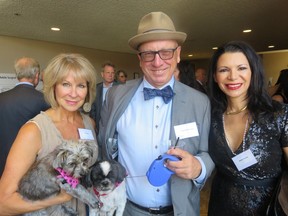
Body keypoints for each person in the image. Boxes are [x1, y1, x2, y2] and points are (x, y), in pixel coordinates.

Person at [98, 11, 214, 216]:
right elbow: (104, 145)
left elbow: (209, 153)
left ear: (178, 54)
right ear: (140, 59)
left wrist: (198, 167)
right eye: (149, 54)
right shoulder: (116, 96)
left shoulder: (200, 102)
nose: (158, 62)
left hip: (180, 211)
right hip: (127, 209)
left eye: (166, 52)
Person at [0, 53, 98, 215]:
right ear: (53, 86)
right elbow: (3, 203)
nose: (74, 93)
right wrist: (60, 198)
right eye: (66, 84)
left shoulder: (89, 123)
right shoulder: (33, 131)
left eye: (81, 85)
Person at [207, 41, 288, 215]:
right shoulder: (210, 116)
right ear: (215, 76)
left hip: (268, 209)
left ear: (253, 72)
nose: (233, 76)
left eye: (241, 68)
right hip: (220, 206)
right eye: (224, 70)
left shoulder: (279, 115)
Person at [0, 57, 50, 176]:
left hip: (2, 161)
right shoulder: (44, 100)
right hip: (31, 164)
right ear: (37, 75)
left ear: (17, 74)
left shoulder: (1, 97)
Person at [90, 61, 117, 133]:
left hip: (115, 125)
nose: (110, 75)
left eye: (112, 73)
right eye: (108, 72)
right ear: (102, 74)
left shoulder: (120, 88)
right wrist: (94, 123)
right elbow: (93, 108)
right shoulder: (96, 88)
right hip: (99, 125)